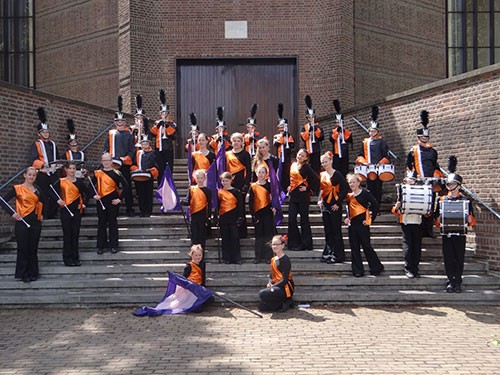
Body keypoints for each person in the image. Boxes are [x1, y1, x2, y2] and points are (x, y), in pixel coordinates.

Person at [436, 156, 475, 293]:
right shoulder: (442, 199)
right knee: (448, 258)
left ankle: (457, 281)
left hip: (460, 233)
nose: (450, 187)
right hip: (447, 233)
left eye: (452, 185)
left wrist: (469, 220)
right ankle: (450, 281)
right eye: (448, 185)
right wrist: (439, 219)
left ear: (459, 185)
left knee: (459, 257)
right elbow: (437, 219)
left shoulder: (466, 201)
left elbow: (472, 219)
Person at [0, 167, 44, 282]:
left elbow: (44, 201)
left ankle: (33, 272)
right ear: (24, 175)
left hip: (35, 222)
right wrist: (12, 213)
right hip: (22, 222)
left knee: (33, 248)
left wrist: (42, 213)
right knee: (23, 248)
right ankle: (23, 273)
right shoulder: (17, 189)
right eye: (29, 175)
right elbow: (3, 200)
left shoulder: (37, 189)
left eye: (34, 175)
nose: (32, 177)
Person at [406, 110, 445, 238]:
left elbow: (435, 165)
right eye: (423, 137)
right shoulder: (413, 151)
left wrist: (437, 175)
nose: (425, 139)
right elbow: (409, 167)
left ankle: (428, 230)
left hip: (431, 181)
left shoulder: (433, 151)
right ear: (418, 138)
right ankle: (419, 230)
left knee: (431, 205)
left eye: (426, 137)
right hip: (418, 181)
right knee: (419, 205)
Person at [344, 173, 384, 277]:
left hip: (363, 225)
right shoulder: (349, 196)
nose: (351, 184)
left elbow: (375, 205)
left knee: (366, 246)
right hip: (353, 225)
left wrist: (370, 220)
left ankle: (376, 267)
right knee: (354, 248)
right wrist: (346, 218)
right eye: (350, 182)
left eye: (353, 182)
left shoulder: (365, 193)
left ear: (358, 182)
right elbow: (348, 209)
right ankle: (357, 270)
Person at [52, 162, 89, 266]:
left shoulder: (79, 182)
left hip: (76, 211)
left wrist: (84, 204)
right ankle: (67, 258)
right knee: (67, 234)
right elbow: (51, 191)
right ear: (66, 170)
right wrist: (58, 200)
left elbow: (88, 192)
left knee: (75, 234)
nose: (72, 170)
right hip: (65, 211)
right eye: (70, 168)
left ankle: (75, 258)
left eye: (74, 168)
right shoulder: (61, 181)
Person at [104, 96, 135, 216]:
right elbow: (106, 148)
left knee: (126, 186)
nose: (120, 123)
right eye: (118, 121)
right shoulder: (111, 133)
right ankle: (113, 208)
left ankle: (129, 208)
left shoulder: (129, 133)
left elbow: (132, 150)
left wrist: (125, 158)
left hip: (124, 164)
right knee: (112, 186)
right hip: (113, 164)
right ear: (115, 122)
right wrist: (106, 158)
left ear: (125, 122)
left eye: (122, 121)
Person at [91, 152, 128, 254]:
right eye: (104, 160)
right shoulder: (98, 173)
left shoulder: (117, 173)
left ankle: (114, 245)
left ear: (111, 161)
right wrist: (94, 195)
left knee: (113, 223)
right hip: (101, 202)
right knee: (101, 223)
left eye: (108, 160)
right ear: (102, 162)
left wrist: (120, 199)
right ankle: (101, 246)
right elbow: (90, 186)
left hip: (113, 202)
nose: (106, 162)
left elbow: (126, 186)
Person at [355, 106, 390, 208]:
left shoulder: (382, 142)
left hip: (379, 168)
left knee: (378, 188)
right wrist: (364, 162)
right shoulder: (365, 142)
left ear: (377, 132)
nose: (372, 133)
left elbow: (386, 156)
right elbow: (359, 155)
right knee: (369, 188)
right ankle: (369, 206)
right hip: (368, 168)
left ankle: (377, 207)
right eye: (370, 131)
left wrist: (380, 163)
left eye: (374, 131)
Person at [318, 151, 349, 264]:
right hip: (325, 205)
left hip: (335, 205)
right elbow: (322, 189)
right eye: (322, 162)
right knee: (328, 230)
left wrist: (338, 203)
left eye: (326, 162)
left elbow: (345, 188)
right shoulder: (322, 174)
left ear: (331, 161)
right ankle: (328, 252)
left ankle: (338, 255)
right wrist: (320, 200)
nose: (324, 164)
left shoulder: (337, 174)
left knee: (336, 231)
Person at [391, 170, 423, 278]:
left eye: (413, 181)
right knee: (408, 246)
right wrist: (397, 206)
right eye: (409, 181)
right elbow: (395, 210)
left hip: (417, 221)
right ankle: (408, 268)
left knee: (417, 247)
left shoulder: (420, 191)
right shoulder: (402, 192)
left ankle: (415, 269)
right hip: (406, 221)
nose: (411, 182)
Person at [29, 107, 60, 219]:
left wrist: (58, 164)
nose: (46, 133)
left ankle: (53, 213)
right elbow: (33, 160)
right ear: (39, 133)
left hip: (54, 173)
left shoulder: (53, 144)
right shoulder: (36, 144)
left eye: (47, 131)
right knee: (44, 195)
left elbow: (58, 157)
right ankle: (45, 214)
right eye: (43, 132)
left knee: (56, 193)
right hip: (43, 173)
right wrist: (42, 164)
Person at [287, 148, 320, 251]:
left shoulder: (306, 167)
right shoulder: (293, 166)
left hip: (303, 197)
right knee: (291, 219)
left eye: (302, 155)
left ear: (306, 158)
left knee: (304, 220)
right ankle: (294, 242)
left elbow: (316, 179)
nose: (299, 157)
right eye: (299, 154)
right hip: (293, 196)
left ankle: (306, 244)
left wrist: (308, 188)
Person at [258, 235, 295, 313]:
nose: (274, 246)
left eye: (277, 244)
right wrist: (269, 282)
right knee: (261, 306)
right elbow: (271, 275)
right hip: (277, 285)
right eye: (273, 244)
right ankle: (280, 304)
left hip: (285, 287)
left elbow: (285, 280)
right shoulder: (273, 259)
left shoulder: (285, 260)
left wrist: (273, 286)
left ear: (282, 245)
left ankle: (286, 302)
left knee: (262, 294)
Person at [226, 132, 251, 238]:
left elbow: (249, 171)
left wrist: (246, 185)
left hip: (241, 184)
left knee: (241, 207)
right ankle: (232, 230)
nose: (236, 143)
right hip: (230, 184)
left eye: (238, 141)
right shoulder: (227, 154)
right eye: (234, 141)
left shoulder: (245, 154)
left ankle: (242, 232)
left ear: (242, 143)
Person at [249, 164, 275, 264]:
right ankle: (258, 257)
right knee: (259, 236)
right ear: (256, 173)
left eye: (263, 172)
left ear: (266, 174)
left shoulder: (269, 185)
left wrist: (274, 207)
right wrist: (253, 215)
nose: (261, 174)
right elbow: (251, 202)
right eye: (259, 172)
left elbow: (274, 198)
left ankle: (268, 256)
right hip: (258, 213)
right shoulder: (253, 186)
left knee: (268, 235)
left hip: (267, 212)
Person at [150, 89, 177, 185]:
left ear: (168, 114)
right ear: (160, 113)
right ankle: (160, 187)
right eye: (162, 113)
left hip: (168, 149)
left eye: (166, 113)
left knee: (169, 169)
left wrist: (167, 126)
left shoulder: (172, 124)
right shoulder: (157, 123)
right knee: (159, 169)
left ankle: (169, 186)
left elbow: (174, 136)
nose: (164, 115)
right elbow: (152, 134)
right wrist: (158, 126)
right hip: (158, 149)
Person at [216, 172, 243, 264]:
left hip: (233, 217)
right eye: (223, 181)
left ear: (231, 180)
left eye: (226, 181)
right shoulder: (219, 192)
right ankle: (226, 258)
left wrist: (240, 217)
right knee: (225, 238)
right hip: (223, 217)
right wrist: (216, 217)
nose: (225, 183)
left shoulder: (236, 192)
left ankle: (236, 258)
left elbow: (240, 206)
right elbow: (217, 206)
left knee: (235, 237)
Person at [182, 169, 212, 249]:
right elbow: (188, 202)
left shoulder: (207, 191)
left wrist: (209, 216)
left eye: (201, 178)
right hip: (194, 215)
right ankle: (194, 256)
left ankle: (201, 256)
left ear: (204, 178)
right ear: (195, 178)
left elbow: (209, 205)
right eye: (198, 178)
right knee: (194, 235)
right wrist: (181, 202)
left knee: (202, 236)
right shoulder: (191, 189)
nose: (199, 180)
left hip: (203, 216)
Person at [130, 135, 159, 217]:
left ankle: (148, 211)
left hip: (148, 176)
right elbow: (134, 163)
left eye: (146, 144)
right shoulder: (138, 153)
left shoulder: (153, 153)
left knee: (148, 194)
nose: (144, 145)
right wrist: (135, 168)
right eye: (143, 144)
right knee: (140, 194)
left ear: (149, 145)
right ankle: (142, 211)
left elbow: (156, 165)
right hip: (138, 176)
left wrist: (151, 170)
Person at [183, 244, 213, 312]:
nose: (198, 257)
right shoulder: (189, 266)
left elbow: (202, 278)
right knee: (198, 310)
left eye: (200, 255)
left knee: (211, 299)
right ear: (192, 255)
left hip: (199, 288)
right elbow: (184, 279)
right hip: (191, 290)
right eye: (196, 255)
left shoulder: (202, 264)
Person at [300, 95, 324, 174]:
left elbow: (321, 137)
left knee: (316, 168)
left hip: (316, 150)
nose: (311, 118)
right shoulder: (304, 127)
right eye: (309, 117)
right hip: (307, 151)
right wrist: (309, 132)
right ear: (307, 118)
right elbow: (303, 138)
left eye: (312, 117)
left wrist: (315, 129)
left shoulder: (318, 127)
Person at [273, 105, 295, 191]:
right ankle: (280, 188)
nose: (281, 129)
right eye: (280, 127)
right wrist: (283, 137)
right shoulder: (276, 136)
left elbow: (292, 145)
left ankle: (287, 188)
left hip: (287, 157)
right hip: (279, 156)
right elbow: (276, 143)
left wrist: (287, 136)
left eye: (283, 127)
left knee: (287, 172)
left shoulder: (289, 135)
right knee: (280, 172)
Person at [330, 100, 353, 177]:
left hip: (344, 154)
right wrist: (337, 132)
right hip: (336, 154)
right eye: (336, 122)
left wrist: (343, 132)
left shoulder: (346, 131)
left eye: (339, 122)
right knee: (336, 171)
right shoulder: (333, 131)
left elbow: (350, 140)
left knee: (344, 171)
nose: (338, 124)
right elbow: (332, 140)